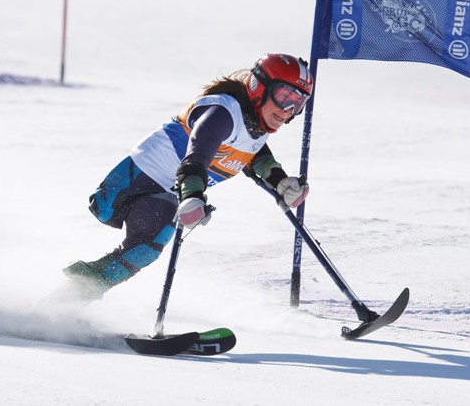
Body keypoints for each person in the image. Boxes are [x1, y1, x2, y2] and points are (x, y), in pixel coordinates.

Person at [63, 53, 313, 300]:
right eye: (283, 97)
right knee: (148, 246)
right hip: (139, 180)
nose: (288, 110)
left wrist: (280, 181)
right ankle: (77, 293)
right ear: (259, 87)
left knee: (144, 250)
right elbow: (198, 154)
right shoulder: (222, 113)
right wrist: (192, 194)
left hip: (168, 190)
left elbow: (254, 155)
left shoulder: (258, 125)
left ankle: (73, 295)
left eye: (298, 103)